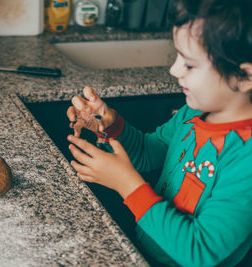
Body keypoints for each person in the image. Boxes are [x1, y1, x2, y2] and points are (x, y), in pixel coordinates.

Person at [66, 0, 252, 266]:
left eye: (189, 64)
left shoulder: (246, 159)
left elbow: (200, 250)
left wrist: (126, 184)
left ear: (244, 77)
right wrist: (109, 125)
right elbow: (147, 153)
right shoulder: (195, 112)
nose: (174, 70)